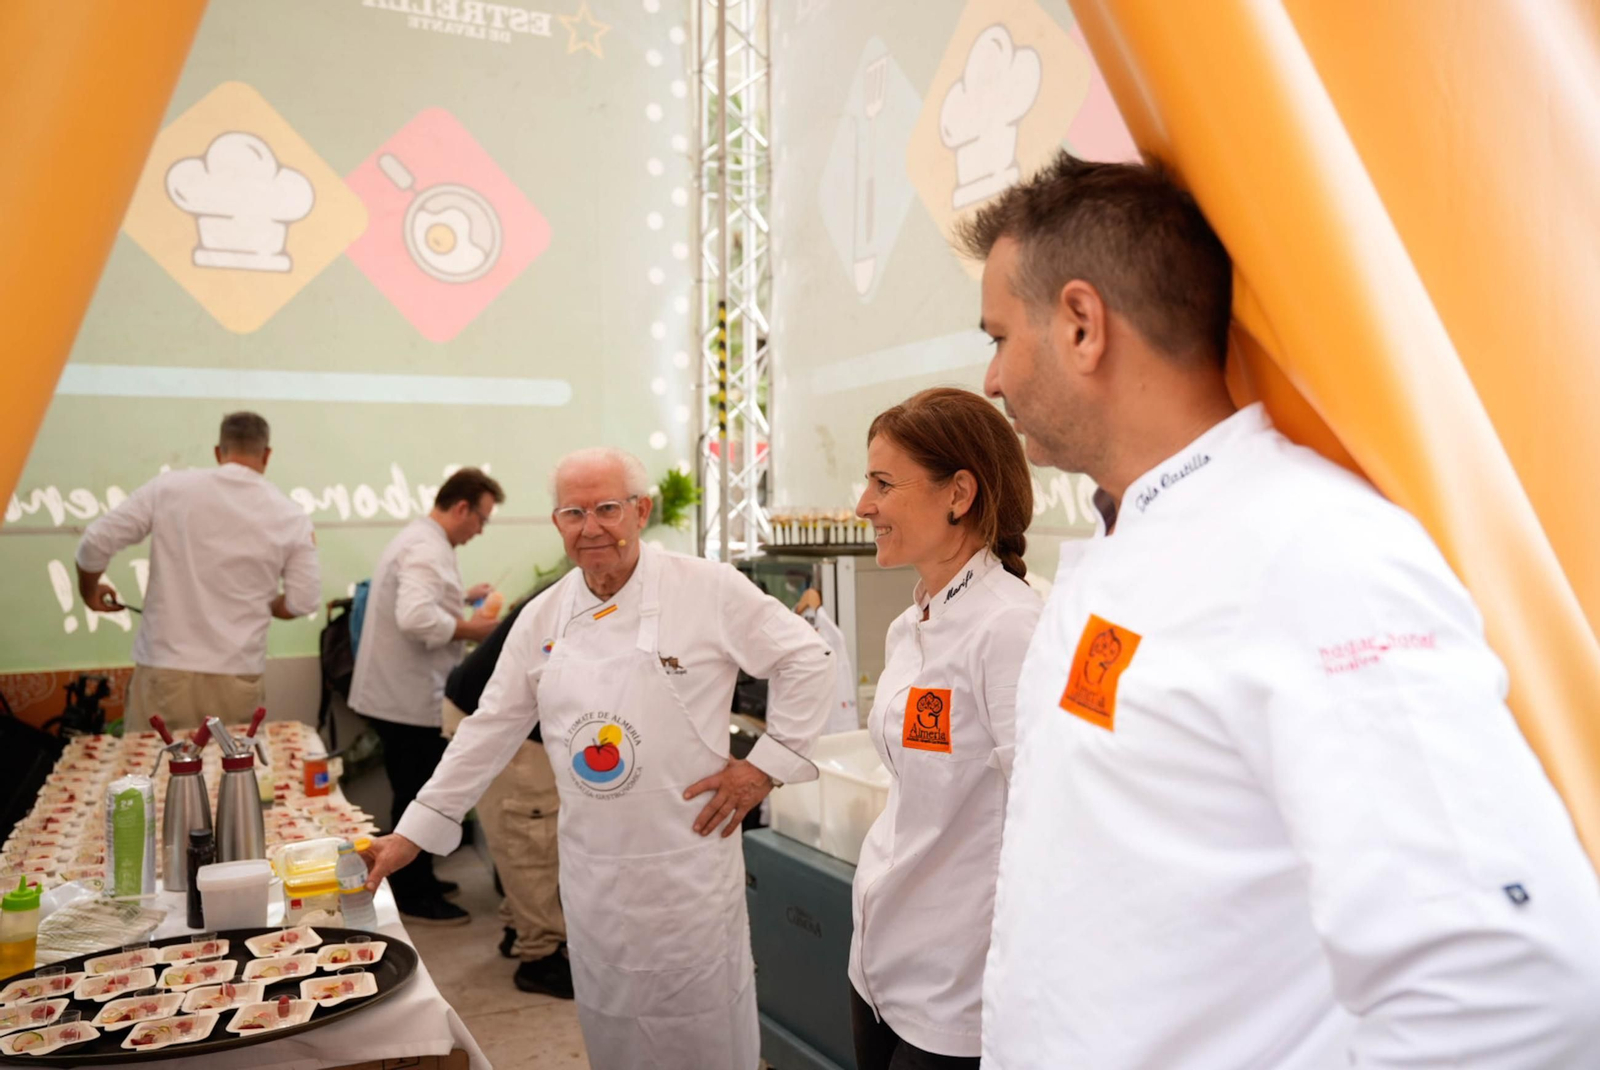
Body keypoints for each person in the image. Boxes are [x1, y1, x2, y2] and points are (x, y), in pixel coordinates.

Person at [964, 150, 1600, 1067]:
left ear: (1080, 325)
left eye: (996, 336)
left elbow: (1511, 987)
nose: (991, 380)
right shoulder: (1130, 544)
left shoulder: (1313, 552)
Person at [362, 447, 836, 1070]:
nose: (592, 528)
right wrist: (410, 834)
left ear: (640, 511)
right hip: (594, 877)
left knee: (701, 1030)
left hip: (685, 871)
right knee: (615, 1030)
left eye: (608, 508)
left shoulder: (708, 588)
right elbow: (490, 730)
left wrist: (764, 765)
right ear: (557, 523)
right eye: (574, 513)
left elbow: (807, 658)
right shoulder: (544, 615)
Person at [848, 387, 1041, 1070]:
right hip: (880, 965)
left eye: (882, 483)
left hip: (958, 991)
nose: (863, 505)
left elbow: (1043, 824)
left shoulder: (1010, 627)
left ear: (959, 493)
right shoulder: (913, 623)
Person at [75, 411, 319, 732]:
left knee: (155, 772)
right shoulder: (290, 515)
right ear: (267, 454)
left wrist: (89, 590)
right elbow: (302, 602)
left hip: (165, 672)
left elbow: (94, 543)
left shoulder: (169, 488)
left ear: (219, 452)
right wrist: (271, 603)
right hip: (237, 677)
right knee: (228, 777)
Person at [349, 466, 503, 925]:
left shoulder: (424, 541)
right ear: (462, 507)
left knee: (415, 786)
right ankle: (414, 892)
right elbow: (415, 617)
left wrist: (462, 597)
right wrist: (473, 627)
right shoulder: (425, 547)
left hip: (400, 694)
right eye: (481, 519)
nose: (480, 530)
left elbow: (425, 601)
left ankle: (423, 879)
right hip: (406, 698)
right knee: (416, 792)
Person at [439, 583, 572, 998]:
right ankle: (540, 958)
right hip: (499, 723)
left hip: (478, 707)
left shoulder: (577, 588)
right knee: (533, 838)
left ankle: (519, 930)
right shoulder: (585, 601)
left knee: (525, 835)